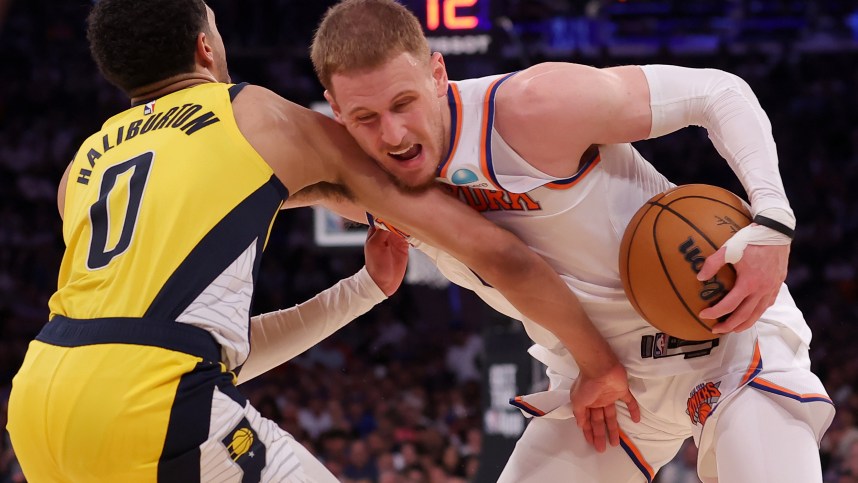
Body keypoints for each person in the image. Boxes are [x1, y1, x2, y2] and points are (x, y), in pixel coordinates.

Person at [5, 0, 638, 481]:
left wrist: (363, 291)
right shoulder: (251, 112)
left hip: (38, 404)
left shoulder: (80, 168)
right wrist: (599, 362)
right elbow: (495, 252)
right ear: (205, 47)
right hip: (151, 405)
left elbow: (190, 347)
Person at [302, 0, 836, 481]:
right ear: (336, 110)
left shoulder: (532, 108)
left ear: (438, 73)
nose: (392, 135)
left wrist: (773, 222)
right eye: (366, 118)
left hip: (724, 337)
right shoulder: (371, 182)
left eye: (404, 103)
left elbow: (718, 92)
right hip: (609, 387)